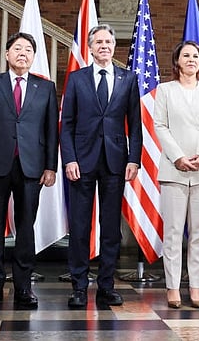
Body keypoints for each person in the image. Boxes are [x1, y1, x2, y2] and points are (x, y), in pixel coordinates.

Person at [0, 32, 59, 310]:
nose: (23, 53)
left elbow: (51, 132)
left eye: (28, 49)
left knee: (25, 228)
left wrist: (50, 166)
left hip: (31, 167)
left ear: (34, 57)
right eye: (17, 48)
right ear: (7, 54)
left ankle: (24, 287)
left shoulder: (45, 88)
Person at [61, 24, 142, 309]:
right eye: (99, 42)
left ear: (113, 46)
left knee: (110, 229)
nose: (104, 46)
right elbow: (67, 123)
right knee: (80, 228)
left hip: (115, 162)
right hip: (81, 162)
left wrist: (134, 159)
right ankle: (79, 287)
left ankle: (106, 287)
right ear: (90, 46)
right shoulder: (76, 79)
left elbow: (135, 123)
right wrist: (69, 158)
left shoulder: (128, 79)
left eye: (109, 41)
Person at [154, 41, 199, 309]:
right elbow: (160, 126)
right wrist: (179, 157)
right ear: (177, 62)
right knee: (172, 232)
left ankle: (195, 287)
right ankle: (173, 287)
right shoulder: (166, 91)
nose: (191, 59)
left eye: (196, 56)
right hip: (174, 169)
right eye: (186, 56)